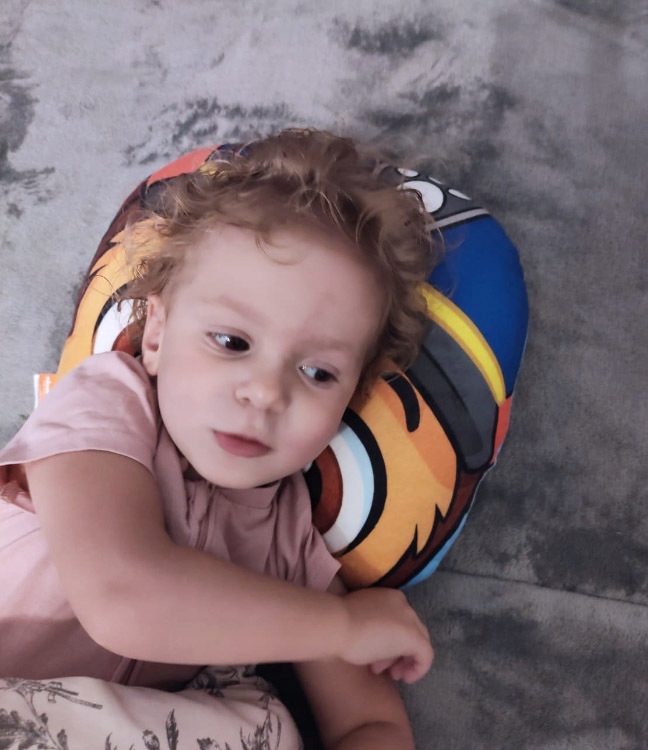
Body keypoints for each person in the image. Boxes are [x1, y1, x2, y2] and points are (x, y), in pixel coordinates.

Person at [0, 128, 437, 749]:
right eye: (232, 342)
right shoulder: (104, 407)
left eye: (318, 373)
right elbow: (122, 598)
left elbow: (371, 723)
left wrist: (345, 629)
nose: (266, 392)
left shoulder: (290, 539)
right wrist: (342, 626)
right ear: (156, 335)